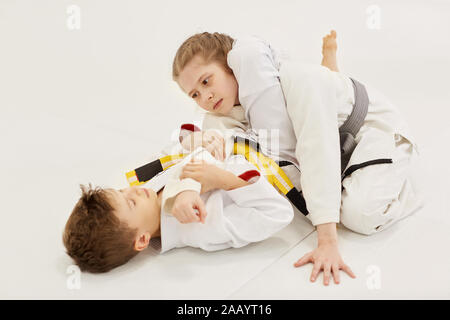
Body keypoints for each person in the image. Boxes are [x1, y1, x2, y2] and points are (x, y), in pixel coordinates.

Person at [171, 30, 423, 286]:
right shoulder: (224, 114)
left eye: (206, 81)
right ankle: (332, 72)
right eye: (194, 95)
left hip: (372, 131)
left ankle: (405, 184)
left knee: (360, 215)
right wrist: (193, 146)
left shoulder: (298, 78)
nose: (205, 97)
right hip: (336, 141)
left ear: (231, 65)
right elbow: (204, 147)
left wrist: (327, 240)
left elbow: (316, 147)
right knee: (329, 194)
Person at [62, 148, 294, 273]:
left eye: (122, 191)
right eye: (130, 203)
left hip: (243, 137)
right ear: (142, 240)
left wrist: (187, 186)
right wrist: (224, 180)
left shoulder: (152, 192)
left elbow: (198, 154)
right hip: (282, 163)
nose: (133, 191)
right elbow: (278, 213)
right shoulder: (200, 228)